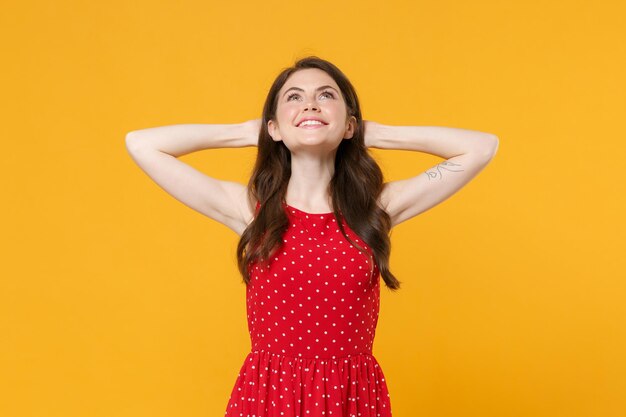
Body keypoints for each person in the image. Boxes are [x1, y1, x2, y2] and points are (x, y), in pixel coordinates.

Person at [125, 56, 499, 417]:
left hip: (350, 399)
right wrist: (245, 132)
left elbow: (480, 148)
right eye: (294, 98)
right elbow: (141, 145)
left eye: (326, 95)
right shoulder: (250, 210)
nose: (310, 105)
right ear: (273, 127)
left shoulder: (376, 209)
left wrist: (378, 133)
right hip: (269, 398)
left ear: (350, 124)